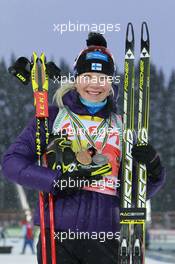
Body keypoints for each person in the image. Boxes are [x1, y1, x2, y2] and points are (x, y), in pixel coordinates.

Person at [2, 32, 165, 264]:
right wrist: (56, 180)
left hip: (107, 238)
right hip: (57, 238)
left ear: (111, 83)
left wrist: (155, 169)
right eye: (88, 76)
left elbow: (134, 195)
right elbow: (11, 164)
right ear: (77, 78)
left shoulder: (121, 126)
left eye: (102, 78)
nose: (94, 85)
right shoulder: (52, 117)